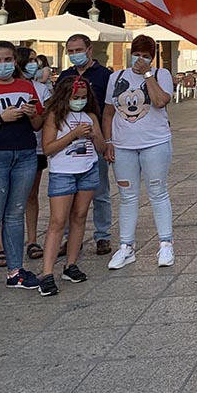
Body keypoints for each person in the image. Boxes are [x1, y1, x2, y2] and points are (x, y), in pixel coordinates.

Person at [0, 41, 45, 303]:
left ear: (14, 61)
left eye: (7, 59)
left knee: (15, 214)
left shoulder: (26, 87)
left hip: (24, 155)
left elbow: (38, 123)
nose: (2, 63)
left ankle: (16, 272)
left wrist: (31, 114)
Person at [104, 35, 176, 270]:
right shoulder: (116, 77)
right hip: (123, 144)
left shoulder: (160, 75)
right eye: (137, 53)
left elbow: (160, 101)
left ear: (152, 58)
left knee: (157, 191)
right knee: (127, 196)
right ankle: (126, 246)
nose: (140, 58)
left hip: (154, 142)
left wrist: (147, 74)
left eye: (146, 55)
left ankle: (165, 243)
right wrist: (108, 141)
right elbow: (108, 112)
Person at [38, 77, 106, 296]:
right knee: (58, 221)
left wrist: (95, 134)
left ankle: (71, 264)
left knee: (80, 216)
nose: (79, 101)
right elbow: (48, 148)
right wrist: (73, 135)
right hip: (63, 173)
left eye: (83, 98)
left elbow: (102, 147)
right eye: (75, 98)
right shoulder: (55, 117)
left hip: (87, 170)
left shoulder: (91, 116)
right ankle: (47, 273)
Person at [57, 34, 113, 256]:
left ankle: (103, 236)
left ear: (89, 50)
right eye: (70, 51)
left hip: (94, 140)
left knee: (100, 192)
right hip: (69, 142)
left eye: (78, 50)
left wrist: (108, 141)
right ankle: (72, 239)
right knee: (69, 194)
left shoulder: (105, 75)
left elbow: (110, 111)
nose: (74, 55)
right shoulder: (65, 76)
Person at [16, 47, 52, 263]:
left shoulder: (41, 89)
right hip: (10, 146)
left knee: (31, 195)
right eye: (29, 60)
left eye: (35, 60)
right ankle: (3, 244)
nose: (34, 64)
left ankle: (32, 240)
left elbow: (44, 118)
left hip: (36, 147)